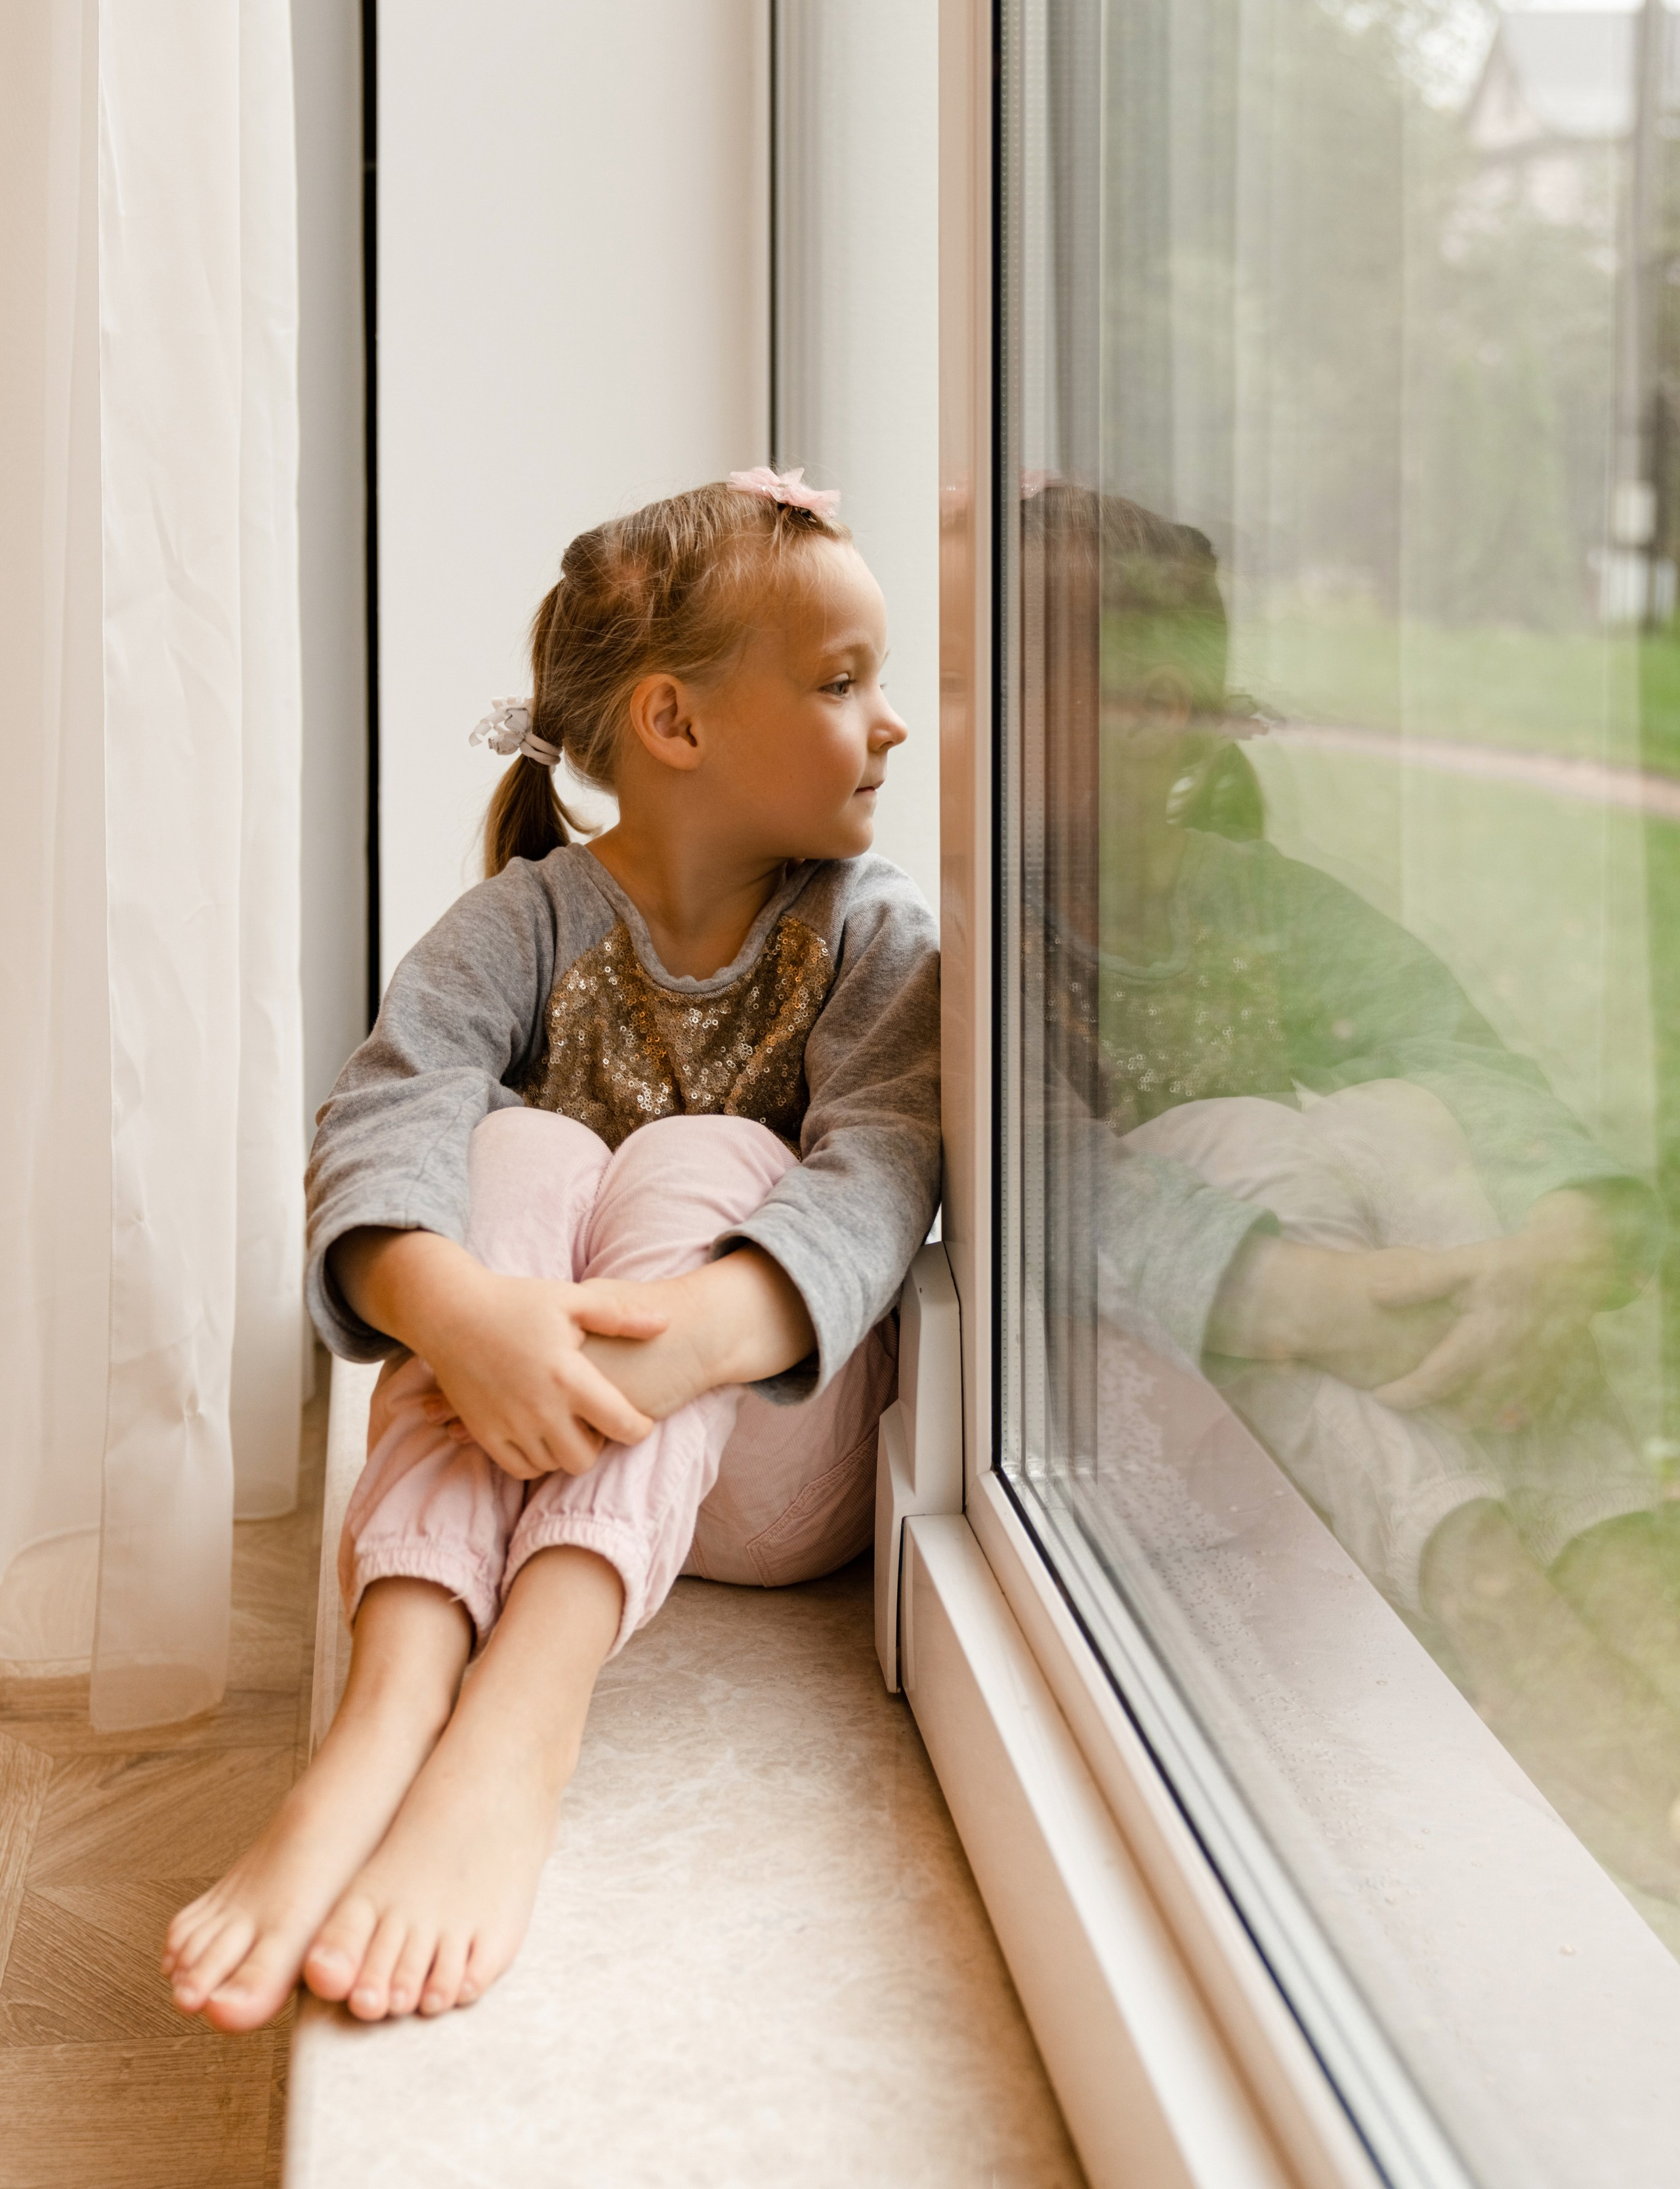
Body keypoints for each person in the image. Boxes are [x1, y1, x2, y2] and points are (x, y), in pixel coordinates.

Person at [162, 470, 939, 2030]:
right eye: (843, 683)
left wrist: (685, 1336)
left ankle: (524, 1715)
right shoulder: (514, 925)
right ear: (675, 724)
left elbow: (883, 1169)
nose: (892, 724)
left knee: (703, 1157)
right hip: (512, 1420)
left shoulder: (874, 933)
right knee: (507, 1147)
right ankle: (393, 1698)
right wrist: (457, 1312)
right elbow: (377, 1126)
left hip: (761, 1467)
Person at [1026, 484, 1680, 1900]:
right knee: (1225, 1142)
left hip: (1416, 1357)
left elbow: (1471, 1067)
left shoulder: (1263, 907)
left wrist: (1552, 1251)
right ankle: (1508, 1626)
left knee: (1403, 1116)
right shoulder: (981, 930)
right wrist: (1316, 1297)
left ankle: (1624, 1583)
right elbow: (1040, 1187)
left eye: (1172, 698)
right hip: (1132, 1418)